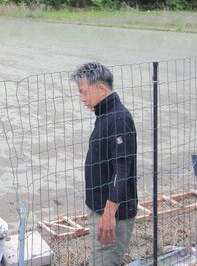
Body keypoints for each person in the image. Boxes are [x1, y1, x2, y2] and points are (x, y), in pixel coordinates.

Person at [70, 61, 137, 266]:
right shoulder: (105, 115)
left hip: (112, 215)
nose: (82, 99)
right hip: (103, 211)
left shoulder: (117, 119)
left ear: (101, 88)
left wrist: (108, 216)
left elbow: (122, 169)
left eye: (84, 92)